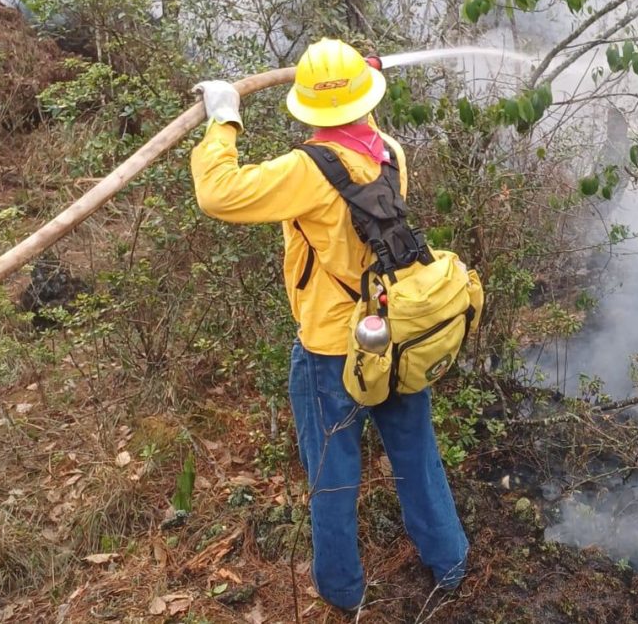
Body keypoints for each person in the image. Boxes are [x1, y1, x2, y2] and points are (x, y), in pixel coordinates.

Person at [189, 39, 469, 612]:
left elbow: (218, 193)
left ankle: (343, 594)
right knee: (417, 454)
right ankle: (451, 561)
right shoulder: (389, 150)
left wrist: (223, 121)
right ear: (365, 99)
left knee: (333, 475)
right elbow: (357, 142)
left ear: (307, 107)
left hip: (329, 352)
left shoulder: (306, 171)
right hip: (393, 336)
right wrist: (356, 88)